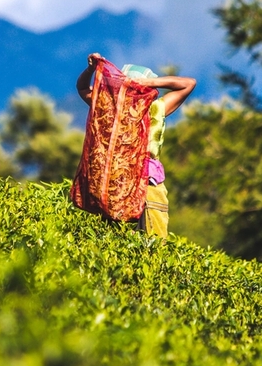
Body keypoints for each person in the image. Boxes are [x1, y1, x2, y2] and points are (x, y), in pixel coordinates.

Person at [75, 53, 196, 238]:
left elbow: (82, 87)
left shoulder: (115, 108)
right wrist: (91, 69)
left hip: (127, 185)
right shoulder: (144, 108)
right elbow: (188, 84)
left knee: (124, 243)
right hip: (137, 186)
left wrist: (91, 69)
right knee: (150, 244)